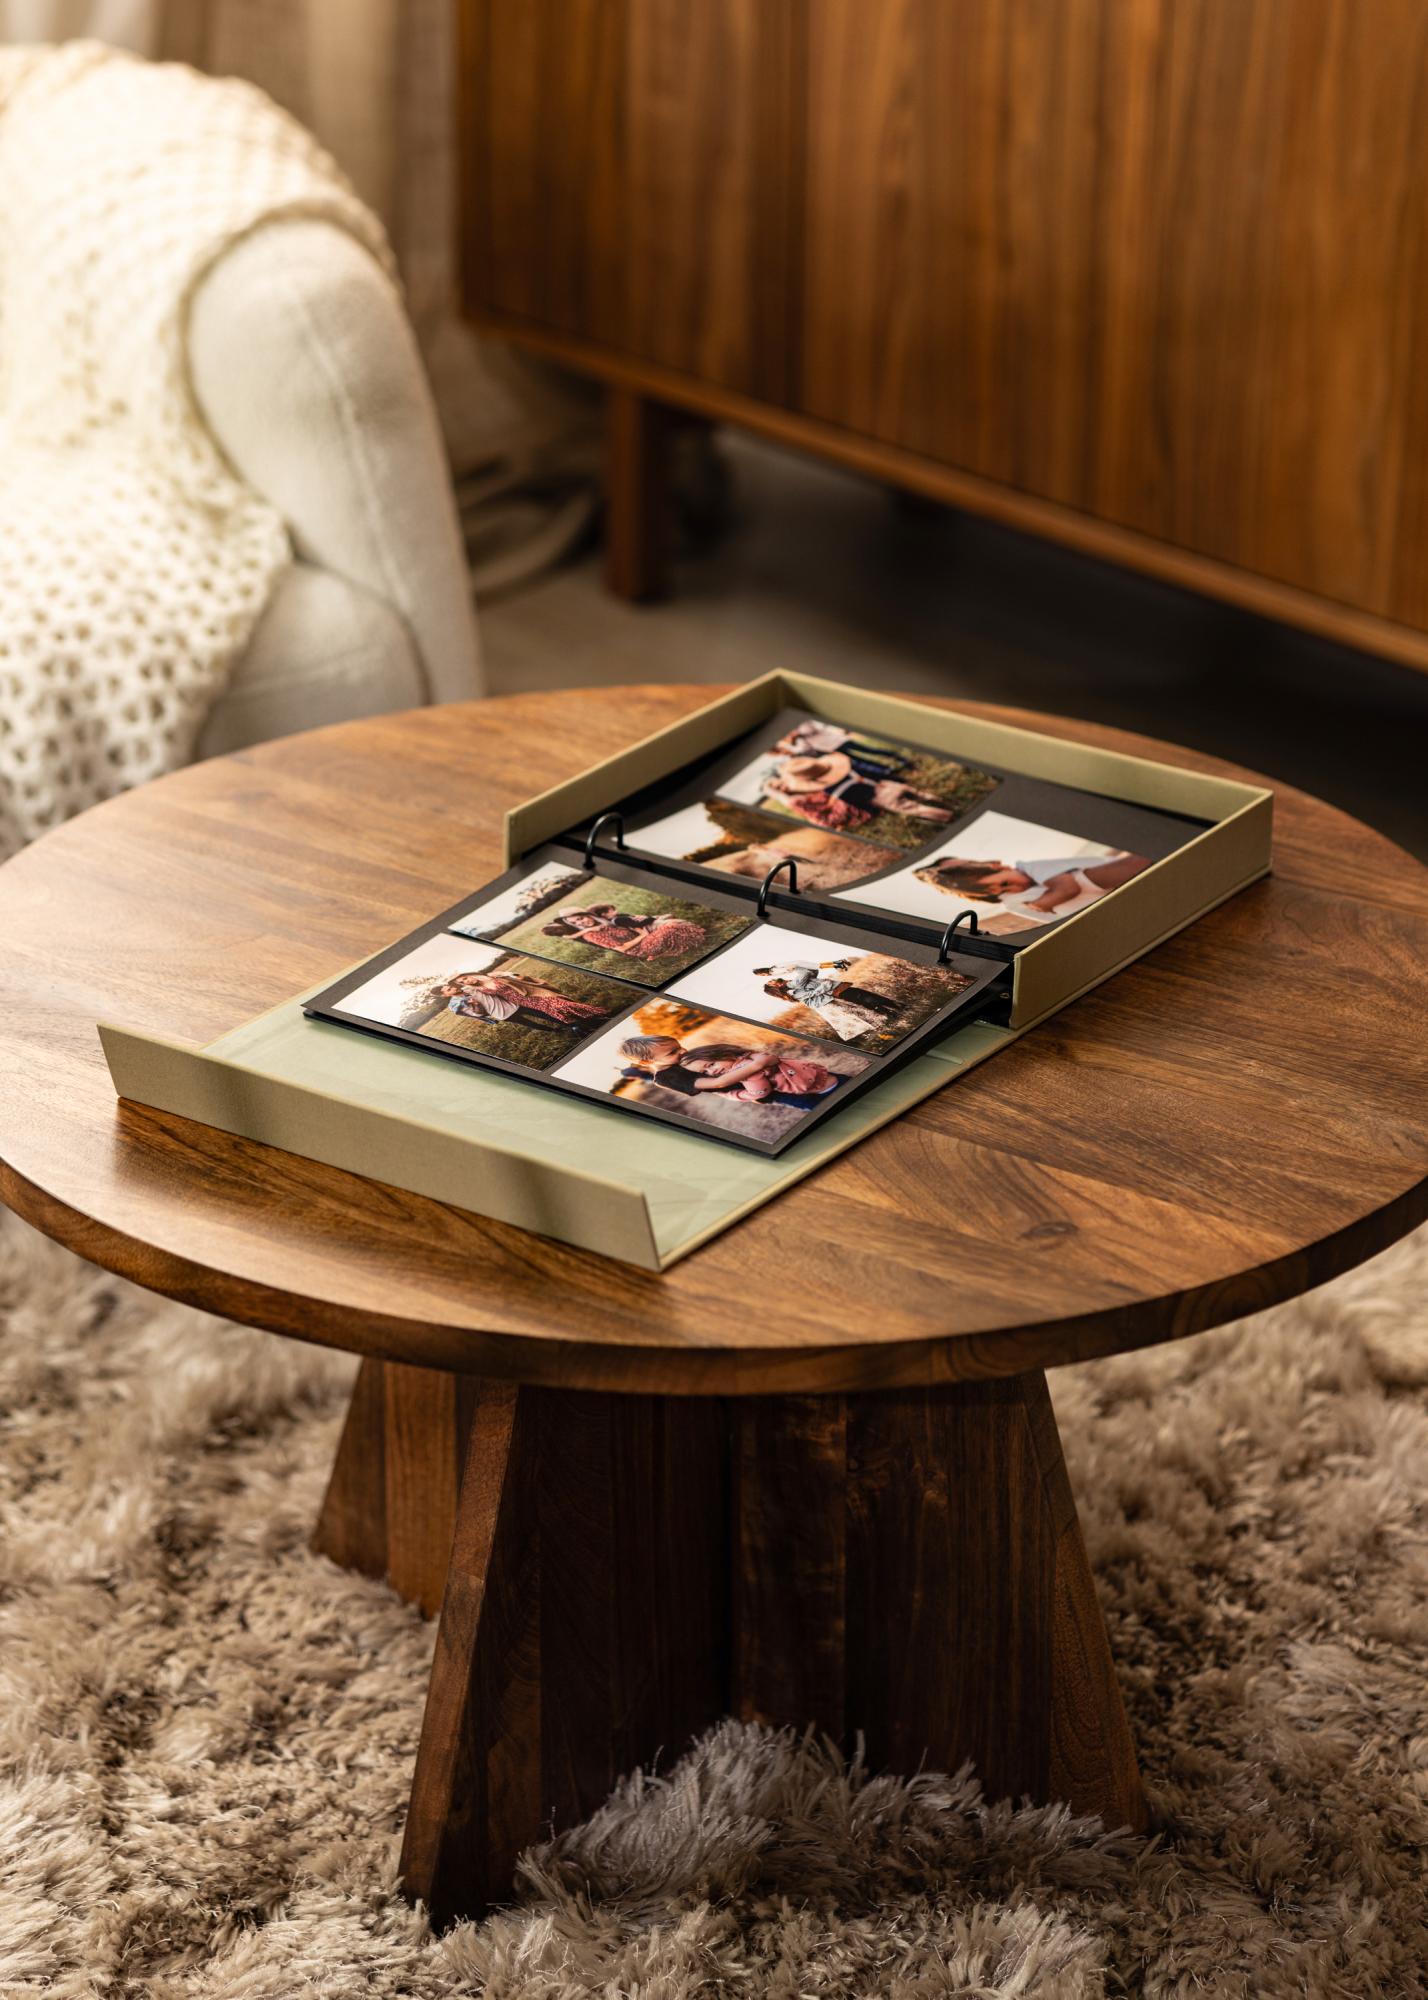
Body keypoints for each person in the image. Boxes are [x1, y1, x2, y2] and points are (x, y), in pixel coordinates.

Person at [617, 1033, 843, 1111]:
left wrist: (749, 1059)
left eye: (679, 1046)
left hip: (772, 1075)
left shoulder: (683, 1058)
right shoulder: (666, 1077)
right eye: (673, 1052)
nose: (682, 1051)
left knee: (817, 1079)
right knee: (810, 1102)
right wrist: (755, 1067)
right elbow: (718, 1084)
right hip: (759, 1089)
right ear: (647, 1062)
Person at [913, 849, 1150, 920]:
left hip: (1108, 878)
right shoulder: (1013, 902)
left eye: (971, 863)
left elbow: (1068, 889)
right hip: (1107, 902)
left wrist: (1043, 903)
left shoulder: (1027, 867)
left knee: (1080, 880)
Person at [763, 753, 954, 835]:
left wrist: (873, 809)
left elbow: (858, 803)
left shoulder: (831, 790)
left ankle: (945, 815)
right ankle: (940, 800)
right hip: (883, 785)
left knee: (914, 808)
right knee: (918, 794)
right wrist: (897, 780)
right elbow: (874, 775)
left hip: (878, 798)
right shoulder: (848, 771)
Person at [754, 957, 900, 1040]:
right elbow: (806, 974)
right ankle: (891, 1021)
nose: (772, 979)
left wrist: (792, 966)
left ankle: (894, 1014)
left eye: (770, 979)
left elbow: (812, 971)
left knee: (865, 1006)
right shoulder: (792, 986)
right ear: (775, 989)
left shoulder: (791, 984)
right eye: (770, 982)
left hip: (836, 990)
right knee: (865, 1005)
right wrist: (792, 967)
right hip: (834, 992)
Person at [435, 969, 609, 1032]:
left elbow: (519, 977)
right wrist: (475, 1006)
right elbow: (479, 1013)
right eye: (461, 982)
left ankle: (594, 1016)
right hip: (515, 1005)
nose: (465, 982)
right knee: (551, 1013)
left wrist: (514, 975)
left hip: (526, 996)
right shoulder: (467, 995)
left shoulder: (491, 976)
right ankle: (582, 1024)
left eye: (465, 978)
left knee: (559, 1006)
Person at [541, 900, 707, 962]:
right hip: (640, 947)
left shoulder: (604, 923)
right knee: (670, 927)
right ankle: (695, 939)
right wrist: (643, 935)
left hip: (644, 937)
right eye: (576, 922)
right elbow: (621, 948)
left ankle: (682, 941)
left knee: (668, 922)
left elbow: (630, 922)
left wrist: (645, 929)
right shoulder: (591, 935)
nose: (581, 922)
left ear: (587, 915)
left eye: (581, 918)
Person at [774, 720, 911, 777]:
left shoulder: (801, 724)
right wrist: (792, 742)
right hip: (830, 748)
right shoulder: (792, 738)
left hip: (838, 741)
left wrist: (797, 734)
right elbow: (803, 748)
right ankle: (887, 770)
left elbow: (810, 729)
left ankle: (901, 759)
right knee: (860, 760)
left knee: (870, 751)